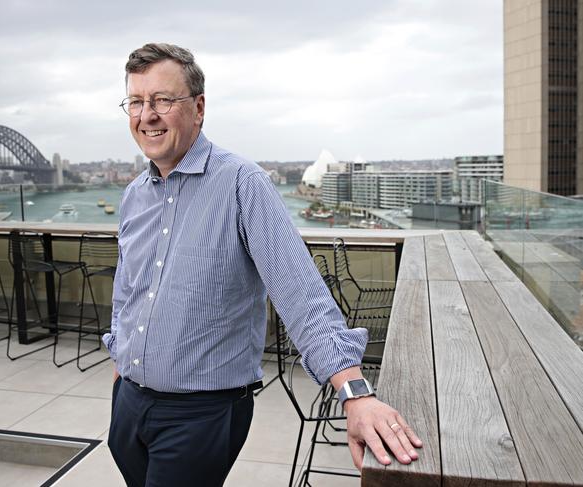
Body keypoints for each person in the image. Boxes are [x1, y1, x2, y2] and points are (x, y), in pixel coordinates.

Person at [104, 42, 422, 487]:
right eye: (136, 102)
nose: (147, 115)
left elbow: (302, 297)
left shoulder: (243, 184)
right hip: (130, 405)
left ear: (198, 108)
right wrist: (121, 362)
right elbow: (128, 289)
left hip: (199, 415)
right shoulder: (134, 195)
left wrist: (354, 394)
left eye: (162, 100)